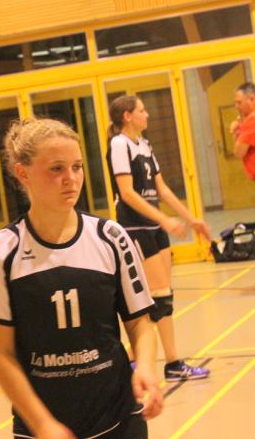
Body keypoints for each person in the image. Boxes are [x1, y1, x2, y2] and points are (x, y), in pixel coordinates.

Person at [0, 118, 162, 438]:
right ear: (23, 173)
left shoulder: (111, 237)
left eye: (77, 167)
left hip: (118, 416)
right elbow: (1, 353)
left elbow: (140, 324)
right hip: (42, 425)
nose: (71, 179)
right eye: (56, 169)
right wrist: (42, 423)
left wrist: (145, 366)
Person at [106, 95, 211, 382]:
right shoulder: (119, 144)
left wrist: (191, 219)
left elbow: (161, 189)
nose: (147, 114)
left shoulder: (144, 145)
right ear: (127, 115)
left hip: (153, 225)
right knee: (159, 295)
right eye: (142, 110)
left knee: (163, 296)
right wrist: (164, 219)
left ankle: (133, 358)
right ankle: (172, 363)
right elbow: (127, 193)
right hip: (135, 227)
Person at [231, 82, 255, 180]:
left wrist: (234, 133)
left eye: (239, 102)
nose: (236, 106)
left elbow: (239, 152)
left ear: (252, 99)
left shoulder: (252, 120)